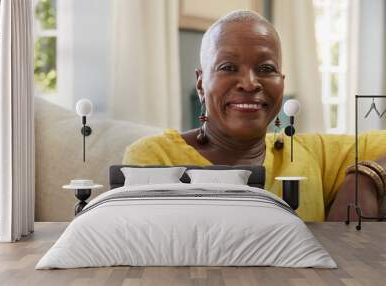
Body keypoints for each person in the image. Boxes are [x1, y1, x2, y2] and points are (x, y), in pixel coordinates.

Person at [122, 10, 386, 222]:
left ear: (282, 83)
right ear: (201, 84)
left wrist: (365, 177)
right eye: (228, 67)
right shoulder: (154, 157)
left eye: (265, 68)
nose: (249, 83)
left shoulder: (310, 154)